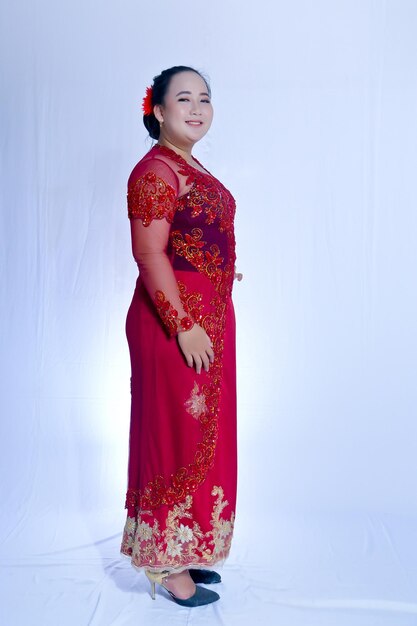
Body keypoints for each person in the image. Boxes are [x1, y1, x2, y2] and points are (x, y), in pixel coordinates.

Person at [120, 65, 242, 607]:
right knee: (173, 437)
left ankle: (186, 543)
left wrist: (215, 269)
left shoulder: (188, 166)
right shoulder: (155, 171)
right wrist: (184, 323)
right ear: (159, 110)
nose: (197, 108)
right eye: (184, 98)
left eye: (205, 99)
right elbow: (149, 254)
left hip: (206, 319)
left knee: (201, 440)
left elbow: (188, 240)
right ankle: (166, 566)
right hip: (175, 326)